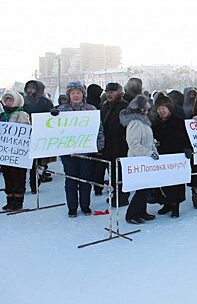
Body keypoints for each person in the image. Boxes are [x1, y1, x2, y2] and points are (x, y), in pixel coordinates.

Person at [57, 81, 103, 218]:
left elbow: (99, 128)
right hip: (68, 152)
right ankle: (72, 207)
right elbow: (54, 129)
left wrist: (99, 145)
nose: (76, 95)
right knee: (71, 179)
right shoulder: (61, 110)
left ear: (83, 94)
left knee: (85, 179)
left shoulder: (91, 109)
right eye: (73, 93)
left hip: (86, 151)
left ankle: (85, 205)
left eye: (78, 93)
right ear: (68, 95)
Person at [119, 94, 159, 224]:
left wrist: (154, 149)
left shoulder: (144, 122)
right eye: (145, 109)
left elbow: (147, 140)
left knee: (145, 188)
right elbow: (133, 144)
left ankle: (142, 212)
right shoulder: (135, 123)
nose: (147, 112)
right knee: (141, 190)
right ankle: (131, 214)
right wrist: (148, 152)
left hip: (146, 159)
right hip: (138, 160)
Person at [152, 95, 192, 218]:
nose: (161, 111)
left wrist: (187, 148)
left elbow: (186, 137)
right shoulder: (155, 123)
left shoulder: (178, 121)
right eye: (159, 108)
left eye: (164, 108)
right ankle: (166, 204)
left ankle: (175, 206)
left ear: (169, 109)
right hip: (161, 156)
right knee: (163, 182)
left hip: (176, 156)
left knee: (175, 182)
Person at [99, 83, 130, 205]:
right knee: (112, 173)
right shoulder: (105, 106)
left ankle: (122, 197)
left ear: (119, 93)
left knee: (121, 174)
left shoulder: (125, 107)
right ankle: (115, 194)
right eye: (107, 91)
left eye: (112, 91)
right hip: (108, 145)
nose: (109, 94)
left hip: (121, 145)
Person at [23, 80, 55, 193]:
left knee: (39, 163)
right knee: (26, 162)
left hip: (40, 134)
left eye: (33, 88)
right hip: (25, 135)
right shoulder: (23, 101)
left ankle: (35, 184)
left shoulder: (45, 102)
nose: (30, 90)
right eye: (28, 88)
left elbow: (51, 114)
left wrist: (54, 113)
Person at [0, 90, 30, 211]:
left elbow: (25, 130)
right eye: (6, 100)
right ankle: (10, 199)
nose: (8, 102)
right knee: (7, 177)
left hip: (18, 154)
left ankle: (18, 201)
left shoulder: (21, 114)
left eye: (10, 100)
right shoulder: (2, 115)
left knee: (18, 176)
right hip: (5, 153)